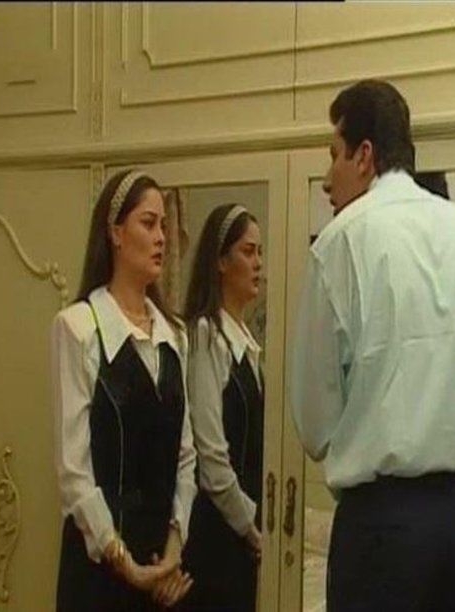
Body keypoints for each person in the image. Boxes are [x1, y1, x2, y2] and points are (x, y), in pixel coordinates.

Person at [290, 80, 455, 612]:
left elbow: (315, 424)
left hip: (382, 528)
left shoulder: (341, 243)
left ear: (364, 155)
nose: (327, 178)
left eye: (333, 154)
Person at [51, 169, 197, 611]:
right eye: (148, 223)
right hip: (98, 570)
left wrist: (172, 554)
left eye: (164, 226)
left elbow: (185, 455)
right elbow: (73, 470)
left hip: (160, 569)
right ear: (115, 233)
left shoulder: (175, 336)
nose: (161, 238)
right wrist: (126, 565)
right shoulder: (78, 327)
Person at [179, 204, 264, 612]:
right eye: (248, 252)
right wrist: (251, 526)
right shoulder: (206, 336)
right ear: (221, 261)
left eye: (260, 252)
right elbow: (211, 456)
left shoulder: (247, 343)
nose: (258, 263)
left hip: (242, 537)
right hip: (217, 537)